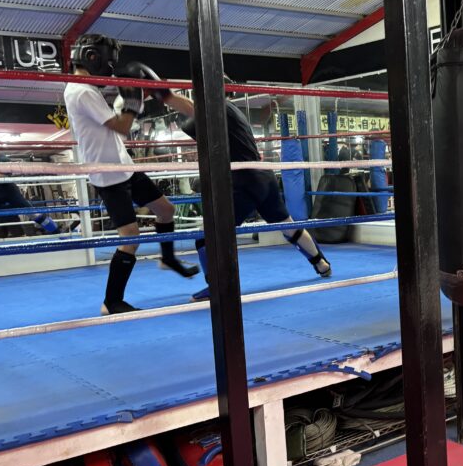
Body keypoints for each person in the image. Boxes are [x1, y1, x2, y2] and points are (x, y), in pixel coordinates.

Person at [134, 69, 331, 301]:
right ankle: (321, 263)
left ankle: (218, 287)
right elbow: (193, 124)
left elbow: (191, 111)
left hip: (245, 180)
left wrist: (162, 93)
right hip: (263, 177)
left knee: (207, 237)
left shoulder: (220, 109)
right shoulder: (231, 112)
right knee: (288, 227)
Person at [63, 34, 198, 315]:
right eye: (109, 61)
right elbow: (123, 126)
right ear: (93, 57)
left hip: (123, 166)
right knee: (130, 237)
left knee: (166, 210)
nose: (111, 67)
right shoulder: (81, 91)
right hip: (107, 174)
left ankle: (167, 258)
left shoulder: (87, 89)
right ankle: (111, 301)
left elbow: (115, 123)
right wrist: (133, 100)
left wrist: (133, 97)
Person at [0, 132, 59, 239]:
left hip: (9, 191)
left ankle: (58, 233)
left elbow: (2, 179)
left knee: (34, 214)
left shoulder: (2, 159)